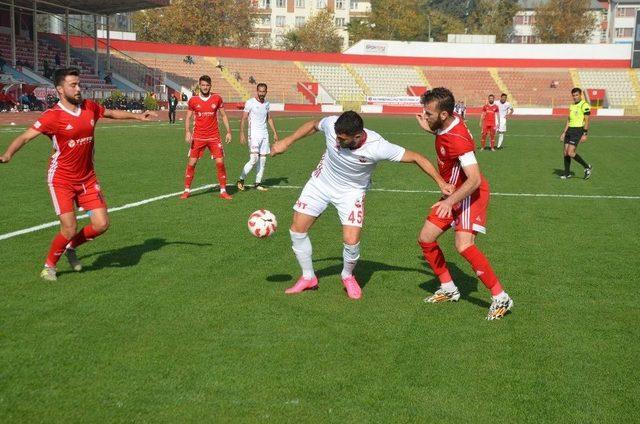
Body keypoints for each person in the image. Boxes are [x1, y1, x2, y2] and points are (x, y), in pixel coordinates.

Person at [270, 111, 454, 300]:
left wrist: (441, 183)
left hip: (351, 193)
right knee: (297, 230)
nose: (337, 141)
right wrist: (287, 141)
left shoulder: (378, 147)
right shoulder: (333, 125)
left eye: (342, 139)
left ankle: (347, 276)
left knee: (351, 241)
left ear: (357, 136)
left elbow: (417, 157)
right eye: (337, 136)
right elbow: (313, 125)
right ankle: (308, 277)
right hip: (320, 183)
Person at [0, 68, 157, 281]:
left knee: (101, 224)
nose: (78, 89)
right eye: (73, 85)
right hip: (62, 179)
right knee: (70, 227)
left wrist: (138, 117)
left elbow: (110, 113)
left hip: (87, 178)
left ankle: (71, 247)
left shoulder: (89, 107)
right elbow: (25, 137)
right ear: (60, 90)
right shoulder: (52, 116)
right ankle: (49, 266)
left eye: (79, 84)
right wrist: (8, 154)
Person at [415, 87, 513, 320]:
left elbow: (475, 179)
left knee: (463, 245)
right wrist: (431, 129)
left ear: (444, 115)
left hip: (470, 194)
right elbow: (446, 136)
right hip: (455, 190)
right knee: (426, 238)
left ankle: (501, 297)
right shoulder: (448, 122)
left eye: (428, 113)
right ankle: (449, 288)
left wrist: (449, 201)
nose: (424, 116)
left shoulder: (458, 139)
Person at [181, 75, 233, 200]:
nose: (205, 87)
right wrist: (187, 131)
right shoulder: (193, 100)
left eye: (207, 85)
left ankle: (223, 191)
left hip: (214, 137)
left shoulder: (217, 98)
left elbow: (224, 115)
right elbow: (188, 117)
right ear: (199, 86)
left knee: (220, 163)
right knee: (192, 164)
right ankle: (186, 190)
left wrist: (229, 131)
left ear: (210, 86)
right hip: (198, 137)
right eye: (203, 85)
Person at [237, 83, 279, 192]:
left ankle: (257, 183)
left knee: (263, 160)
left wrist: (274, 132)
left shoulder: (267, 104)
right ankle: (241, 180)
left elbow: (269, 118)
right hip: (254, 134)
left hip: (264, 134)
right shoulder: (250, 103)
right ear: (257, 91)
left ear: (266, 92)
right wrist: (242, 133)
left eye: (263, 91)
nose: (261, 93)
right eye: (259, 91)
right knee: (254, 159)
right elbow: (243, 118)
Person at [560, 88, 592, 180]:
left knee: (570, 152)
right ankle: (567, 174)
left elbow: (587, 120)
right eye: (573, 95)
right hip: (570, 130)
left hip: (578, 131)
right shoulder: (572, 106)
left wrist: (585, 133)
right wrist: (564, 132)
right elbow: (569, 120)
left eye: (576, 95)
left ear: (580, 95)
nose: (575, 97)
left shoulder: (584, 105)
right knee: (565, 153)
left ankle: (587, 167)